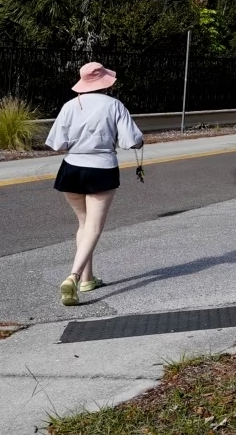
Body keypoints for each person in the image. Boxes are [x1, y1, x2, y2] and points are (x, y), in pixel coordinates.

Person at [46, 62, 144, 306]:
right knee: (94, 227)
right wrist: (140, 143)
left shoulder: (70, 105)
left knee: (83, 224)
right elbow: (130, 141)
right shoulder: (114, 105)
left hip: (71, 168)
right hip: (101, 167)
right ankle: (74, 276)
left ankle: (88, 278)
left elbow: (56, 142)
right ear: (105, 82)